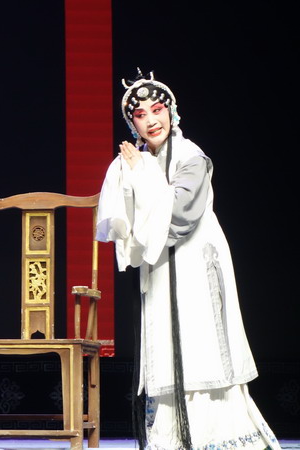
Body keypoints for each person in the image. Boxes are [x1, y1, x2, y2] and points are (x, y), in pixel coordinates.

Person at [96, 71, 280, 449]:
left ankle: (218, 438)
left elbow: (180, 214)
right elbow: (128, 218)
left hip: (196, 263)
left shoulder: (190, 156)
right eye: (140, 115)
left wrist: (140, 176)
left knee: (201, 346)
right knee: (165, 346)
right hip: (161, 269)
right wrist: (129, 176)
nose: (151, 120)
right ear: (132, 124)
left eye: (157, 110)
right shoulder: (139, 160)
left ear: (172, 112)